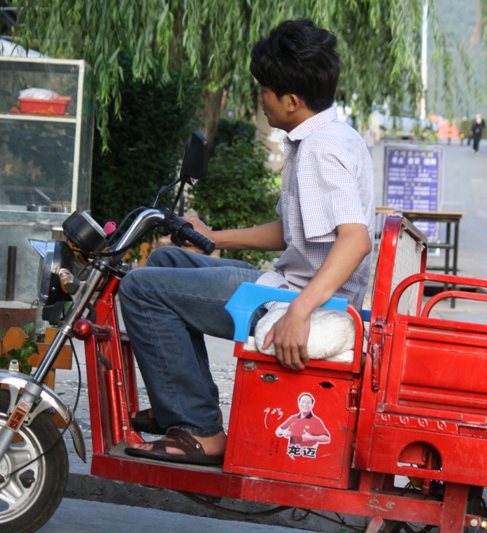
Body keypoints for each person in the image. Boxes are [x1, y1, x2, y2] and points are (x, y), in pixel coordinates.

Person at [120, 19, 376, 466]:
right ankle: (181, 407)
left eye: (265, 90)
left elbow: (355, 240)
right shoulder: (322, 137)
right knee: (166, 259)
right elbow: (291, 229)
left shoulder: (322, 149)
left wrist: (299, 312)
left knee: (140, 289)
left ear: (292, 101)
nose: (260, 98)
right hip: (283, 286)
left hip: (297, 302)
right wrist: (209, 237)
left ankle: (198, 428)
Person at [276, 393, 330, 457]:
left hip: (307, 455)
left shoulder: (316, 421)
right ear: (299, 403)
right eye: (303, 402)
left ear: (312, 405)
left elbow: (327, 438)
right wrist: (284, 432)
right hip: (292, 453)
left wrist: (312, 438)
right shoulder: (293, 418)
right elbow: (278, 431)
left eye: (308, 403)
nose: (305, 405)